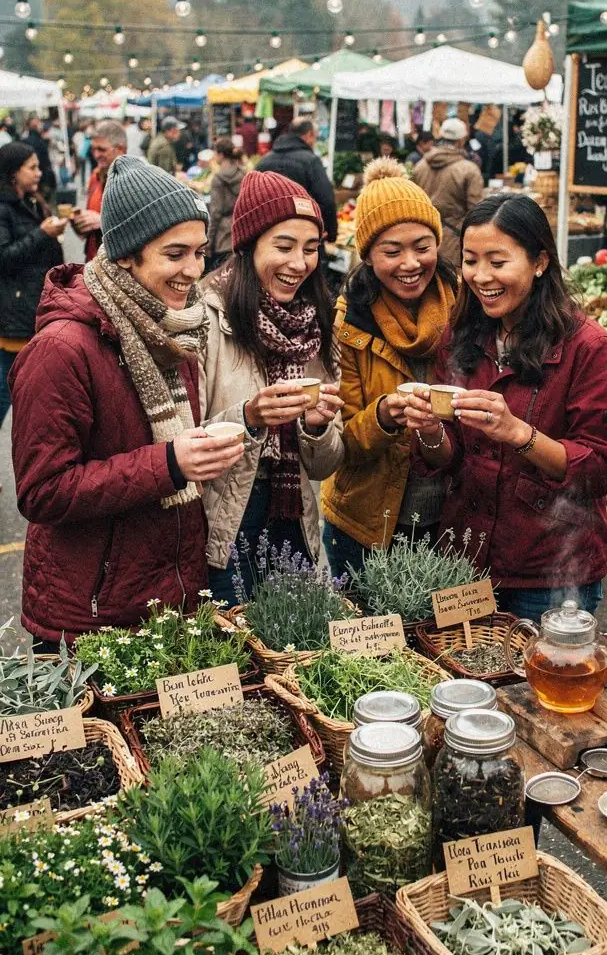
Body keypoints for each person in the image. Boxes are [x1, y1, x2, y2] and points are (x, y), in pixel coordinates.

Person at [10, 156, 243, 644]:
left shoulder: (171, 327)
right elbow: (42, 491)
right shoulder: (62, 348)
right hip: (89, 616)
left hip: (169, 601)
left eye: (200, 253)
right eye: (174, 254)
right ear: (124, 256)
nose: (193, 270)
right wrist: (170, 464)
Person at [404, 193, 607, 615]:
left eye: (498, 261)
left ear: (539, 262)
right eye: (470, 260)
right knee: (466, 678)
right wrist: (430, 431)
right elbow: (447, 459)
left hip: (550, 572)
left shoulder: (588, 348)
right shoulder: (462, 335)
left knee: (544, 680)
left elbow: (601, 467)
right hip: (464, 562)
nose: (481, 275)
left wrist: (519, 434)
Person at [201, 171, 343, 605]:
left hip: (293, 514)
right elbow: (180, 441)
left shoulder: (313, 324)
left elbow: (324, 467)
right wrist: (248, 417)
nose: (298, 263)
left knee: (294, 647)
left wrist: (317, 429)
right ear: (248, 247)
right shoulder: (208, 317)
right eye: (283, 247)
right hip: (226, 519)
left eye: (311, 249)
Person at [321, 161, 457, 578]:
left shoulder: (466, 308)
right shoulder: (347, 324)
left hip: (449, 519)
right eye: (391, 251)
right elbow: (339, 444)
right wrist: (383, 415)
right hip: (367, 522)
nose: (410, 263)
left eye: (422, 246)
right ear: (367, 255)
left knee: (444, 639)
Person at [0, 142, 65, 426]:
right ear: (14, 173)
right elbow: (4, 258)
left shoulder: (31, 200)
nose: (39, 172)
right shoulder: (4, 209)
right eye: (32, 167)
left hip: (31, 304)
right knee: (5, 388)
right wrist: (42, 233)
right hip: (15, 309)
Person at [411, 118, 484, 266]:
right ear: (461, 140)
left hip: (424, 241)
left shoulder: (419, 166)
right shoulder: (468, 169)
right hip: (456, 243)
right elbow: (477, 213)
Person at [256, 116, 338, 243]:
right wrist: (331, 233)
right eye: (315, 137)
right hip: (304, 236)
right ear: (309, 135)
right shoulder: (310, 161)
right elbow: (326, 199)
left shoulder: (264, 161)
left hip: (268, 236)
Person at [72, 120, 127, 260]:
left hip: (117, 266)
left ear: (120, 149)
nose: (95, 155)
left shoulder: (133, 182)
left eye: (101, 149)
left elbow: (143, 229)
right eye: (93, 149)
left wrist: (102, 222)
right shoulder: (95, 175)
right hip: (93, 260)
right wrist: (79, 222)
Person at [206, 135, 246, 271]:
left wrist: (209, 242)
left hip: (223, 237)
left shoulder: (218, 179)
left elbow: (215, 213)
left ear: (221, 155)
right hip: (240, 232)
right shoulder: (243, 174)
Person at [23, 117, 57, 203]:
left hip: (34, 179)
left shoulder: (25, 141)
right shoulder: (39, 141)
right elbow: (45, 162)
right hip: (43, 179)